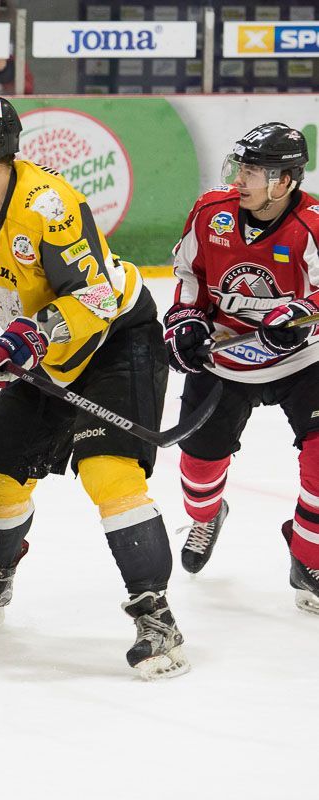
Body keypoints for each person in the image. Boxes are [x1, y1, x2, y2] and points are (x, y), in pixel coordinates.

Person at [0, 96, 186, 679]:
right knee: (0, 475)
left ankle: (157, 618)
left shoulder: (50, 206)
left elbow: (97, 295)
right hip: (46, 351)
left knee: (109, 475)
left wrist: (31, 337)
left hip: (114, 343)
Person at [163, 122, 319, 615]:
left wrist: (303, 319)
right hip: (226, 356)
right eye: (241, 168)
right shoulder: (212, 212)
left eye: (254, 171)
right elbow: (190, 274)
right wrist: (184, 318)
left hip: (302, 361)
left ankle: (308, 558)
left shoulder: (313, 224)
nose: (241, 179)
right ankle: (207, 516)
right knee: (197, 469)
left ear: (286, 180)